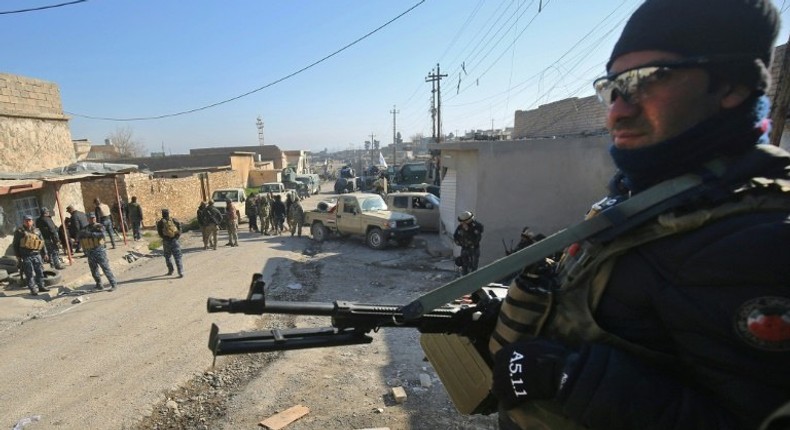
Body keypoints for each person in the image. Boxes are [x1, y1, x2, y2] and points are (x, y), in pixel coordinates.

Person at [489, 1, 790, 429]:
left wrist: (573, 378)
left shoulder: (756, 239)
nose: (618, 109)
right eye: (613, 87)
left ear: (732, 85)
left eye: (649, 79)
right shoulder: (650, 199)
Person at [77, 212, 117, 291]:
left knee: (105, 268)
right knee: (94, 270)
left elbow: (101, 234)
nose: (93, 219)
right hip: (90, 252)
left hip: (99, 251)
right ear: (88, 219)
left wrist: (90, 234)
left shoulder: (99, 226)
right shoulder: (86, 228)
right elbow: (79, 235)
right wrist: (82, 234)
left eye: (94, 217)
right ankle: (99, 284)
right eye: (91, 218)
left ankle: (113, 284)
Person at [12, 215, 50, 296]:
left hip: (37, 254)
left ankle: (41, 286)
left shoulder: (37, 231)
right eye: (26, 221)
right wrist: (18, 257)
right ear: (23, 222)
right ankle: (33, 289)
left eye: (30, 220)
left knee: (39, 271)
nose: (28, 222)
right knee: (29, 274)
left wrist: (45, 253)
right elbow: (15, 245)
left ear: (32, 221)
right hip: (26, 256)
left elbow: (42, 243)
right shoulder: (19, 232)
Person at [453, 211, 484, 275]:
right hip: (464, 248)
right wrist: (459, 242)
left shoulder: (476, 227)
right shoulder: (460, 227)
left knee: (473, 267)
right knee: (464, 265)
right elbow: (456, 236)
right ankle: (464, 278)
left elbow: (476, 239)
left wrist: (468, 230)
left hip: (474, 249)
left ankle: (472, 280)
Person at [156, 209, 184, 277]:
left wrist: (164, 238)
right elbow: (180, 229)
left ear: (162, 214)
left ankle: (170, 270)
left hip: (166, 242)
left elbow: (160, 233)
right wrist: (176, 237)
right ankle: (180, 272)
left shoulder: (160, 222)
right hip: (174, 241)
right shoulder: (174, 220)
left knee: (167, 256)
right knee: (177, 256)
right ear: (168, 214)